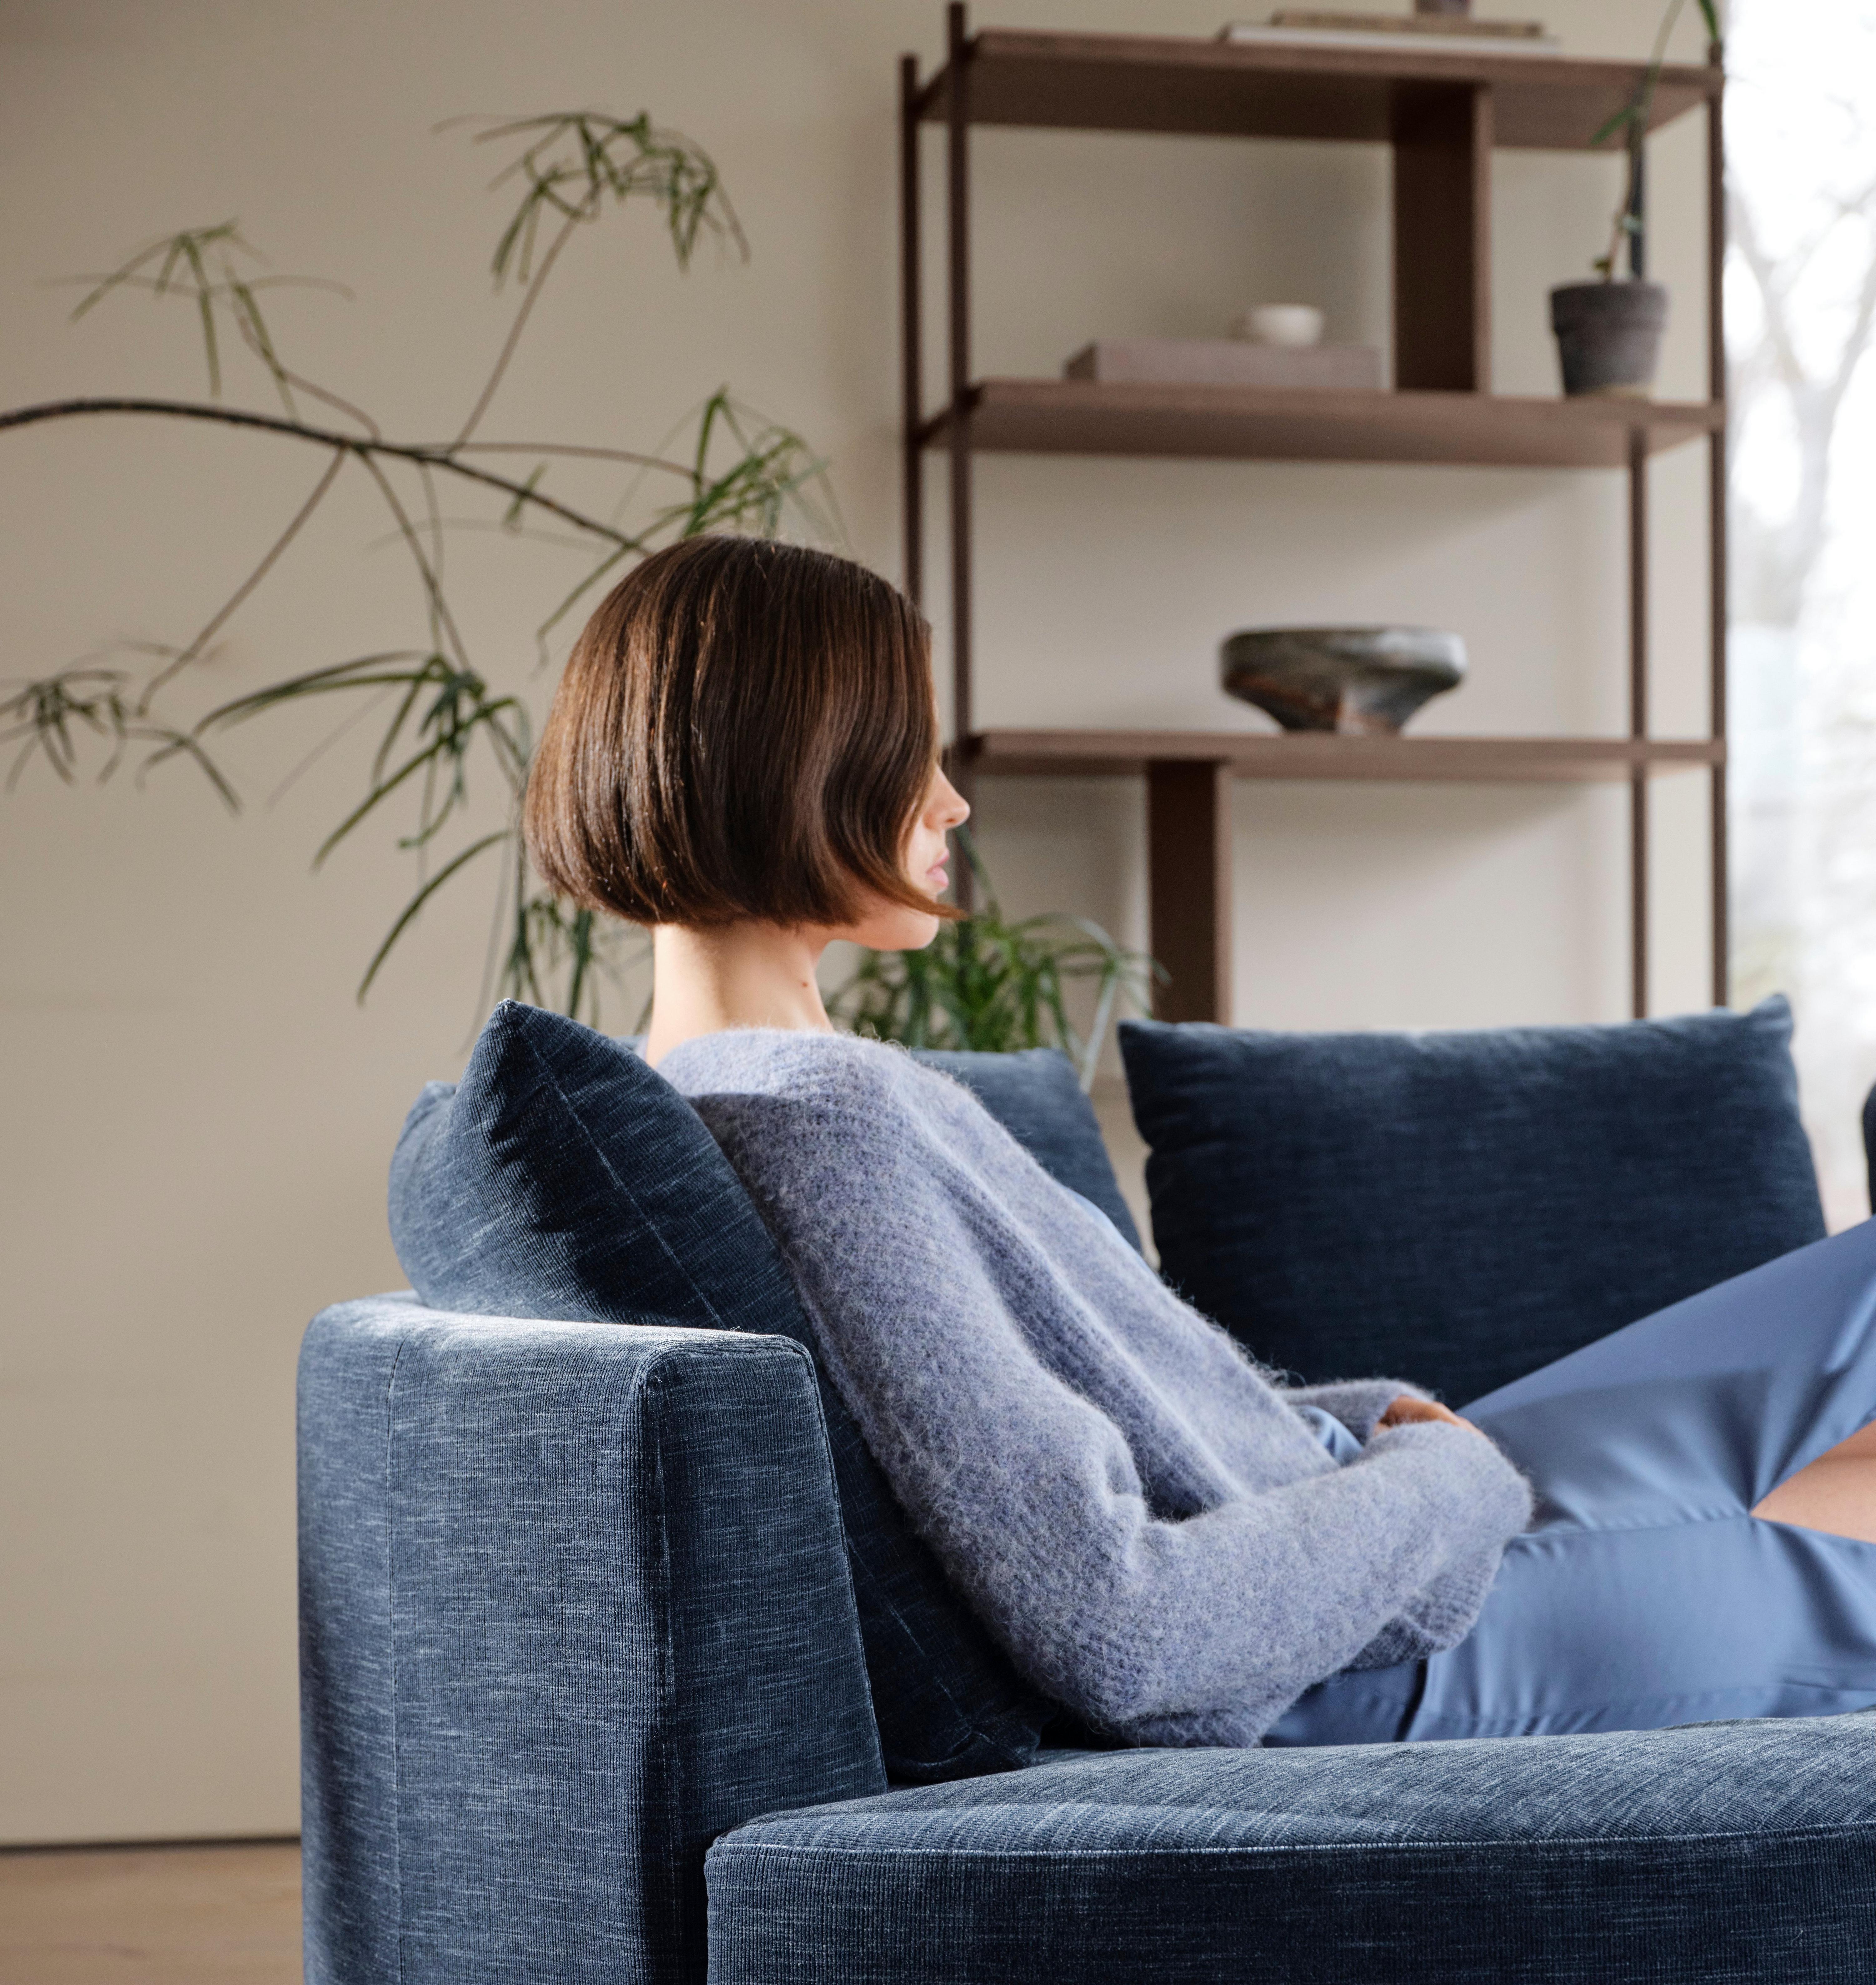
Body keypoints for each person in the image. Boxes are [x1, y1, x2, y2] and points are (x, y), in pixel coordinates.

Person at [523, 532, 1876, 1747]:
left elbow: (1129, 1417)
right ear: (791, 771)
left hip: (1341, 1516)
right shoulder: (817, 1132)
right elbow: (1119, 1625)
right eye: (911, 757)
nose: (951, 804)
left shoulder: (760, 1088)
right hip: (1349, 1643)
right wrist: (1447, 1482)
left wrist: (1363, 1426)